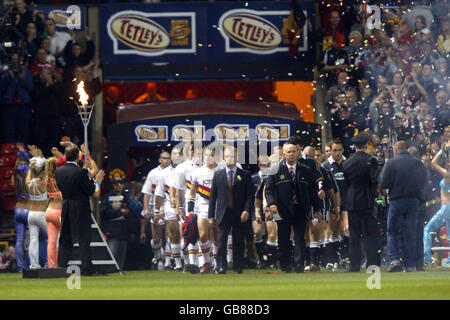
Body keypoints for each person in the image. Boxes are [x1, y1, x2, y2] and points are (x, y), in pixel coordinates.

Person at [265, 143, 321, 273]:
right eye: (288, 152)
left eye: (293, 151)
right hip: (282, 209)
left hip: (301, 208)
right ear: (283, 154)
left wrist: (317, 209)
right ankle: (285, 266)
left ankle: (299, 266)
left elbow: (312, 191)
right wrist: (272, 203)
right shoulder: (275, 169)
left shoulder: (305, 169)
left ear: (298, 152)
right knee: (283, 238)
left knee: (300, 238)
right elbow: (269, 190)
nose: (291, 154)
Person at [380, 141, 428, 272]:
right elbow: (424, 180)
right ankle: (410, 264)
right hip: (413, 201)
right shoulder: (417, 163)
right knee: (410, 233)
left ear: (395, 150)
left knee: (392, 232)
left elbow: (383, 183)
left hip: (396, 200)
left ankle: (395, 260)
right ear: (406, 149)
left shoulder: (391, 163)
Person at [55, 144, 101, 276]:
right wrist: (97, 182)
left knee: (65, 237)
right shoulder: (81, 172)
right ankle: (87, 269)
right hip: (80, 206)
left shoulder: (58, 171)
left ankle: (62, 266)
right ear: (77, 157)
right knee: (83, 238)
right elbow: (92, 192)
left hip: (66, 205)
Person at [208, 147, 255, 274]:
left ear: (236, 158)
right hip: (223, 212)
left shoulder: (245, 175)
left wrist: (246, 210)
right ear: (223, 158)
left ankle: (238, 267)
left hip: (239, 213)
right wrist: (211, 216)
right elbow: (213, 197)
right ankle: (221, 266)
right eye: (227, 156)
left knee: (239, 240)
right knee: (221, 241)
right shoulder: (218, 175)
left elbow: (250, 195)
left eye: (232, 156)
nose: (229, 158)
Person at [342, 133, 380, 272]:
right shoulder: (372, 160)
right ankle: (372, 264)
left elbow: (346, 183)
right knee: (371, 235)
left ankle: (354, 266)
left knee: (354, 235)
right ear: (366, 145)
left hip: (352, 200)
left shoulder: (346, 163)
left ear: (354, 146)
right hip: (368, 200)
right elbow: (374, 179)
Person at [188, 145, 220, 274]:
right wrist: (190, 208)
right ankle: (206, 262)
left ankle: (217, 263)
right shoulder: (197, 172)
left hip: (218, 207)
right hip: (203, 207)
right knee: (202, 236)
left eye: (211, 155)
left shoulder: (221, 170)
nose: (208, 157)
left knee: (217, 237)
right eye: (206, 155)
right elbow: (192, 192)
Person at [154, 147, 184, 271]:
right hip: (170, 205)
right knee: (173, 235)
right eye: (175, 154)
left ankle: (191, 261)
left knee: (186, 234)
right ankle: (178, 264)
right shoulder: (164, 173)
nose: (177, 156)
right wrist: (156, 211)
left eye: (179, 154)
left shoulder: (188, 169)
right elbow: (159, 194)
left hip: (186, 204)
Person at [141, 150, 171, 270]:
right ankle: (158, 257)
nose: (166, 160)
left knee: (169, 236)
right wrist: (146, 208)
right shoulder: (152, 173)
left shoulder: (174, 172)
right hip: (155, 207)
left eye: (168, 158)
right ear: (159, 160)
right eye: (164, 158)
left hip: (168, 205)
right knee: (156, 238)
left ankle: (167, 262)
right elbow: (147, 192)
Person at [424, 144, 450, 267]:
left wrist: (441, 151)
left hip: (446, 208)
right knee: (449, 234)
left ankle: (426, 257)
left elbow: (433, 163)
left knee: (428, 229)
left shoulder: (447, 174)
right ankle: (449, 260)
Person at [100, 176, 129, 271]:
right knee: (112, 253)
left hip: (124, 230)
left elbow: (132, 211)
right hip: (112, 230)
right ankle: (108, 270)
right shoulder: (108, 197)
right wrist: (120, 212)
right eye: (116, 184)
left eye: (120, 184)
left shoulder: (126, 197)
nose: (118, 187)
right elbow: (103, 211)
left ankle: (119, 270)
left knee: (121, 255)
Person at [26, 155, 48, 269]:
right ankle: (51, 262)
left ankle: (34, 265)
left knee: (33, 240)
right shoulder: (43, 182)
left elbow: (30, 174)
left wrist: (31, 167)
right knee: (55, 237)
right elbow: (47, 171)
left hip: (31, 214)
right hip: (41, 214)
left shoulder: (29, 182)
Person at [12, 145, 30, 272]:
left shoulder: (15, 176)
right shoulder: (30, 179)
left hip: (18, 209)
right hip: (29, 209)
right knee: (38, 238)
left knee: (19, 239)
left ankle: (20, 267)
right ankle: (32, 264)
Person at [45, 157, 62, 268]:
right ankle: (62, 264)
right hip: (59, 211)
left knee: (51, 242)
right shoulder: (59, 178)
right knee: (63, 240)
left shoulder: (47, 179)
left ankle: (52, 266)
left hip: (49, 211)